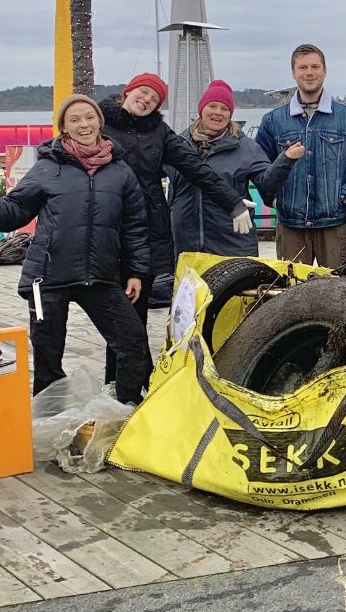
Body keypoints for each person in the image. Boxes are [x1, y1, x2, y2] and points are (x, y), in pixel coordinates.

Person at [0, 95, 152, 404]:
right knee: (48, 360)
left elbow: (135, 227)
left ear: (100, 121)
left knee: (134, 345)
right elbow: (9, 213)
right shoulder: (47, 168)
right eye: (74, 120)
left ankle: (123, 411)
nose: (83, 124)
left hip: (100, 277)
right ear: (63, 128)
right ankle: (48, 426)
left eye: (89, 117)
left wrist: (138, 272)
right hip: (48, 280)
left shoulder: (121, 172)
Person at [100, 72, 252, 382]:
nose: (146, 100)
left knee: (137, 313)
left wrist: (232, 202)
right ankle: (112, 382)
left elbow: (197, 168)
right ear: (127, 92)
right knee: (117, 317)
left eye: (154, 99)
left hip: (145, 235)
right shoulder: (100, 123)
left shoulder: (160, 133)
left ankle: (133, 384)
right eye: (142, 93)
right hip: (107, 231)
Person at [256, 43, 346, 268]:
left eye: (314, 66)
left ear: (324, 70)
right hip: (291, 226)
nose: (309, 73)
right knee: (293, 293)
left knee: (339, 293)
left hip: (335, 225)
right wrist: (271, 198)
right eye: (302, 67)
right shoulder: (273, 121)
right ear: (293, 72)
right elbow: (259, 167)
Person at [167, 80, 279, 260]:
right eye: (212, 106)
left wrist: (285, 161)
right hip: (184, 245)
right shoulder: (177, 145)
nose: (218, 112)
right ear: (201, 109)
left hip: (232, 244)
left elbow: (268, 184)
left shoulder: (246, 147)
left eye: (224, 108)